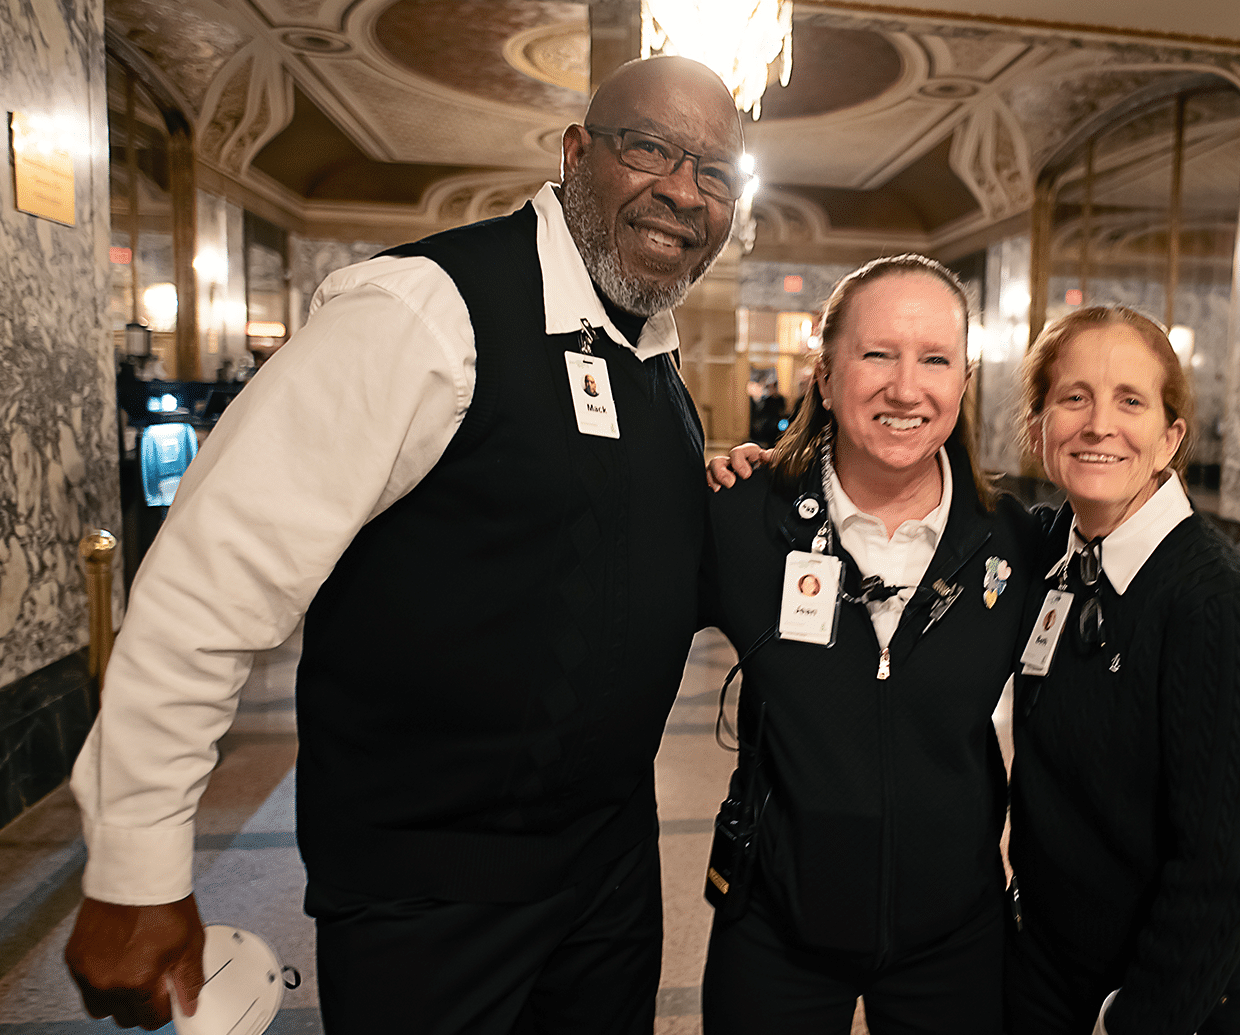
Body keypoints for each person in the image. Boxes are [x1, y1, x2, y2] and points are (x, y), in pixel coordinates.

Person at [62, 56, 743, 1034]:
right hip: (429, 896)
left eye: (714, 171)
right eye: (649, 148)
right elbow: (204, 585)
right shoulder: (421, 312)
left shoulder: (652, 357)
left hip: (608, 878)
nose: (682, 190)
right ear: (575, 153)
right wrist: (136, 868)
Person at [699, 255, 1043, 1034]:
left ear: (963, 380)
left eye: (934, 359)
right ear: (825, 376)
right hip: (774, 929)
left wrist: (1233, 613)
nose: (905, 387)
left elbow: (1128, 591)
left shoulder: (1015, 544)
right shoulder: (743, 522)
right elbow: (609, 616)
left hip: (954, 938)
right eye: (877, 353)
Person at [1006, 305, 1240, 1035]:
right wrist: (776, 468)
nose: (1099, 424)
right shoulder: (1055, 554)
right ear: (1040, 425)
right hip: (1046, 970)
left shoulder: (1215, 604)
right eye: (1074, 397)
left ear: (1170, 437)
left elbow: (1225, 872)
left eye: (1130, 400)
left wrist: (1137, 1020)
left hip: (1165, 998)